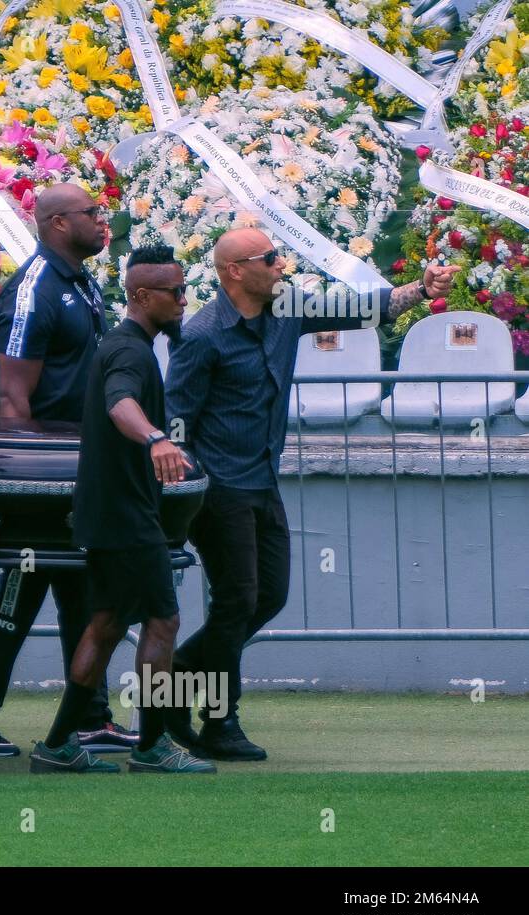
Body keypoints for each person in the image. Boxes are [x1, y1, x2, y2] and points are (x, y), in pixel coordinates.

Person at [164, 228, 459, 760]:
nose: (281, 266)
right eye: (270, 258)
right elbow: (175, 418)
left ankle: (173, 679)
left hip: (262, 480)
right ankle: (219, 722)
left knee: (267, 597)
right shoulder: (203, 334)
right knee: (235, 602)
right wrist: (189, 487)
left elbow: (359, 309)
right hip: (219, 489)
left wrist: (421, 286)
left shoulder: (287, 309)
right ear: (234, 270)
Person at [0, 183, 136, 758]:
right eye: (91, 213)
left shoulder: (79, 282)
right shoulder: (33, 290)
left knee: (81, 589)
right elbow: (11, 398)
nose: (103, 222)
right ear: (55, 223)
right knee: (21, 591)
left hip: (78, 467)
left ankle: (89, 718)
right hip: (43, 473)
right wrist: (28, 484)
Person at [38, 244, 215, 774]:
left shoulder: (129, 345)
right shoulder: (129, 352)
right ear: (141, 295)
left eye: (185, 289)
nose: (184, 300)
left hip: (109, 513)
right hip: (128, 517)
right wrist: (158, 439)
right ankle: (152, 745)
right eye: (174, 292)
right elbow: (121, 404)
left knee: (107, 623)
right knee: (163, 621)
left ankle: (57, 745)